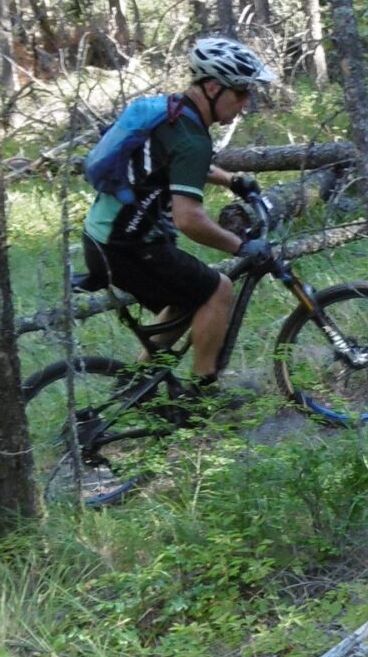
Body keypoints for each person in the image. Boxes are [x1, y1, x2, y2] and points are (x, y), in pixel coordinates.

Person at [81, 35, 278, 407]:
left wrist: (231, 180)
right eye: (240, 92)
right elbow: (189, 219)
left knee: (189, 297)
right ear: (213, 87)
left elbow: (178, 162)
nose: (245, 102)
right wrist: (241, 246)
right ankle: (203, 395)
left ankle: (135, 391)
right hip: (127, 247)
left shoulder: (172, 112)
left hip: (105, 239)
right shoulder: (192, 137)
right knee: (217, 289)